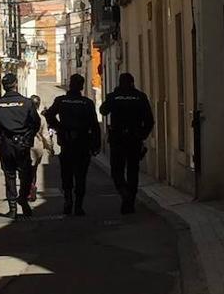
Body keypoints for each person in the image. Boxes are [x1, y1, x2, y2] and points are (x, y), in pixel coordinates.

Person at [45, 74, 101, 216]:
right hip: (83, 143)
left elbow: (49, 115)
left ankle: (68, 200)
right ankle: (78, 206)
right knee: (81, 176)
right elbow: (95, 125)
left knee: (67, 174)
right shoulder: (87, 103)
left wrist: (59, 128)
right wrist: (96, 144)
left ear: (70, 85)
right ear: (81, 86)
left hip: (67, 143)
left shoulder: (61, 101)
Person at [100, 73, 154, 214]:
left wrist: (113, 96)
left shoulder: (114, 97)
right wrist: (142, 135)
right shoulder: (140, 97)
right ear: (132, 82)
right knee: (132, 171)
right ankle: (130, 202)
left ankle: (124, 192)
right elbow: (149, 120)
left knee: (116, 171)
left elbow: (103, 110)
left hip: (117, 139)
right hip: (134, 140)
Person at [0, 73, 41, 219]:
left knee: (9, 175)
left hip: (5, 144)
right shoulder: (27, 103)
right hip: (22, 144)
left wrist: (0, 138)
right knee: (26, 174)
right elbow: (35, 123)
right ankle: (23, 198)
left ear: (3, 86)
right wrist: (28, 138)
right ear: (16, 84)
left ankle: (12, 208)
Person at [28, 95, 53, 202]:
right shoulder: (42, 118)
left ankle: (28, 190)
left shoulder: (24, 116)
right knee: (34, 170)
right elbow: (46, 135)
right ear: (38, 105)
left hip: (26, 146)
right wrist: (50, 148)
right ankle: (32, 189)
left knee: (25, 170)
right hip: (37, 147)